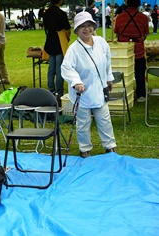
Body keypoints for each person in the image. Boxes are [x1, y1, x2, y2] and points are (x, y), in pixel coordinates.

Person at [61, 12, 117, 158]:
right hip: (83, 93)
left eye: (89, 26)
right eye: (82, 27)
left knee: (105, 120)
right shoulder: (73, 49)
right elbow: (66, 68)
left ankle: (110, 146)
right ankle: (85, 148)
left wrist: (109, 78)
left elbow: (107, 62)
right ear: (77, 30)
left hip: (99, 90)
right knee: (83, 123)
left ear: (93, 26)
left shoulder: (101, 42)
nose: (86, 29)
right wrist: (76, 81)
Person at [114, 0, 149, 102]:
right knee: (140, 73)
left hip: (123, 50)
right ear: (139, 4)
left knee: (123, 72)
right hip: (138, 49)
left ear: (127, 3)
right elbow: (145, 34)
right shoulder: (143, 17)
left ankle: (123, 93)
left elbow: (117, 33)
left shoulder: (119, 17)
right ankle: (141, 95)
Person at [44, 0, 71, 97]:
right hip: (59, 41)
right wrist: (67, 38)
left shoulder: (46, 13)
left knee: (51, 68)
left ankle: (51, 90)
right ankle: (59, 91)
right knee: (59, 67)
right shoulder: (61, 13)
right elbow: (68, 29)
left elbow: (46, 27)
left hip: (50, 40)